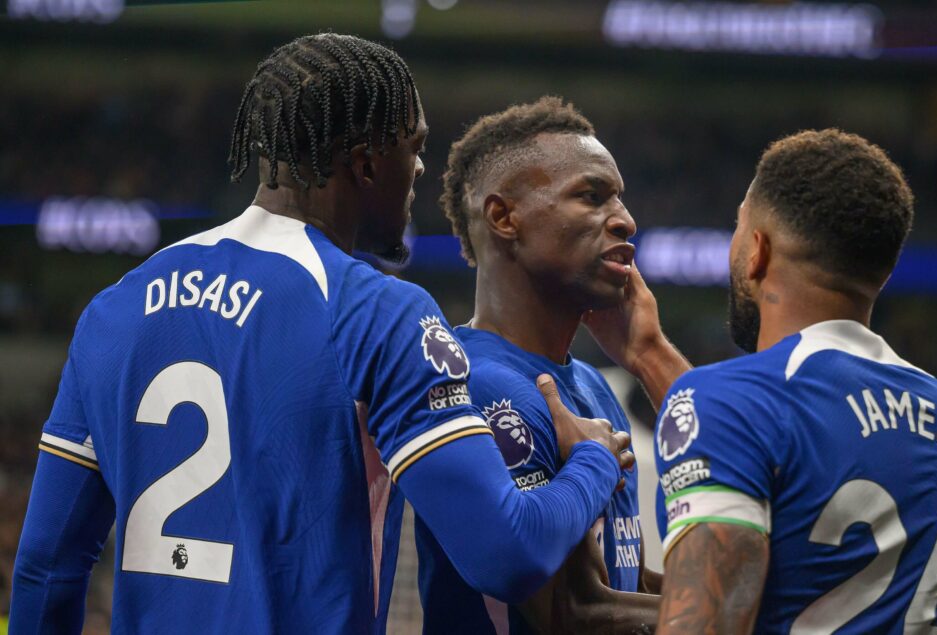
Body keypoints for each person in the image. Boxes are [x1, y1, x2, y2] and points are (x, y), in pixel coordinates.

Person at [10, 34, 631, 634]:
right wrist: (593, 463)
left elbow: (47, 569)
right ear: (364, 164)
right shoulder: (374, 312)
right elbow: (506, 553)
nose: (419, 168)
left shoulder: (114, 309)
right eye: (412, 147)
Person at [654, 129, 937, 633]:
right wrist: (650, 354)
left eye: (738, 229)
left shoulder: (730, 400)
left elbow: (706, 622)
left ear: (757, 250)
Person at [417, 96, 689, 634]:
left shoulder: (590, 384)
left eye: (620, 199)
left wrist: (649, 352)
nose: (626, 221)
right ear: (503, 217)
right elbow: (573, 618)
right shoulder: (477, 384)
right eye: (592, 197)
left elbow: (623, 584)